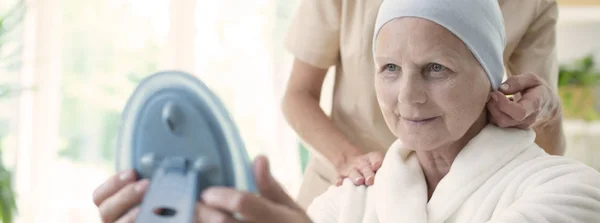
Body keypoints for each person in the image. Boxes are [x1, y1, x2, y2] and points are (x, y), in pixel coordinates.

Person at [282, 0, 566, 209]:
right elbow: (298, 94)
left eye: (437, 68)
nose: (408, 96)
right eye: (390, 67)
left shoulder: (532, 4)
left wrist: (547, 114)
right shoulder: (338, 207)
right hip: (352, 180)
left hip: (459, 193)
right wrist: (351, 161)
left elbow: (542, 143)